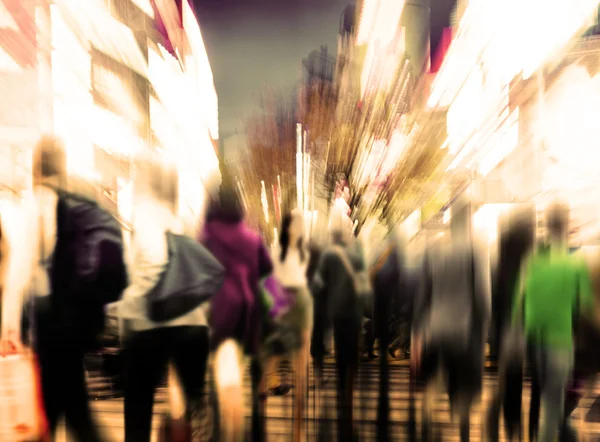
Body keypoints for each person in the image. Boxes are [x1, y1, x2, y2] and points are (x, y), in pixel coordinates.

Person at [4, 136, 105, 441]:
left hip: (49, 326)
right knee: (70, 411)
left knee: (56, 413)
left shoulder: (36, 208)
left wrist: (9, 327)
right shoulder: (75, 206)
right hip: (75, 325)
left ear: (36, 168)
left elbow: (20, 271)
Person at [112, 153, 211, 442]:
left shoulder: (145, 212)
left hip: (155, 323)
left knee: (138, 400)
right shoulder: (182, 218)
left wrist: (126, 318)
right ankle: (200, 420)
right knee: (192, 400)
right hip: (192, 326)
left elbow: (151, 266)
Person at [412, 195, 491, 442]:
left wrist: (417, 331)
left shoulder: (434, 248)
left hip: (433, 329)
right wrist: (484, 333)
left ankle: (426, 427)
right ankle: (462, 433)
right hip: (462, 332)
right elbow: (483, 296)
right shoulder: (476, 249)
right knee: (463, 393)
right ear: (468, 219)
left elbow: (422, 295)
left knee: (431, 386)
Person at [201, 171, 273, 442]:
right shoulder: (251, 238)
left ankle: (223, 433)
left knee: (218, 384)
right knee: (244, 379)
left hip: (218, 316)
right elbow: (268, 272)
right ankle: (246, 432)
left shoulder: (207, 235)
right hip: (248, 318)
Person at [516, 202, 594, 442]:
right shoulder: (575, 263)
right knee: (553, 409)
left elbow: (519, 302)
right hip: (560, 340)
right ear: (566, 224)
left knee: (551, 404)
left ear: (546, 225)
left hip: (535, 341)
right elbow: (586, 307)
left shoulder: (533, 260)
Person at [311, 207, 364, 442]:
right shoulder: (356, 255)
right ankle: (349, 405)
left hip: (338, 315)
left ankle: (343, 397)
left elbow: (317, 285)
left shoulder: (328, 255)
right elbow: (364, 286)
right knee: (351, 359)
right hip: (354, 315)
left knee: (341, 357)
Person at [264, 209, 313, 441]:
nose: (300, 228)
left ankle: (298, 431)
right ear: (286, 227)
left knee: (301, 370)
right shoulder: (277, 253)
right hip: (284, 309)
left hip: (302, 306)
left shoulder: (304, 253)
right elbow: (271, 285)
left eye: (301, 225)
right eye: (296, 224)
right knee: (272, 358)